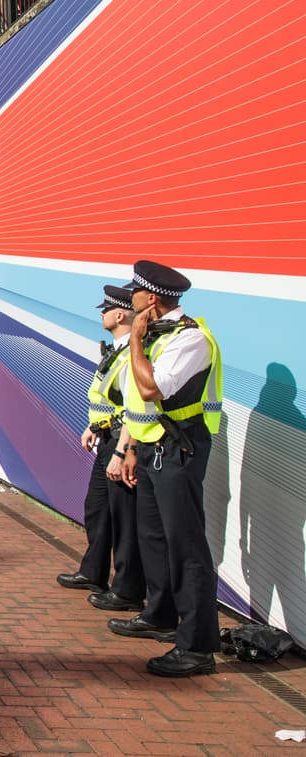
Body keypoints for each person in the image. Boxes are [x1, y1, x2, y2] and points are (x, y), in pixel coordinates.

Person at [108, 260, 224, 678]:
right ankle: (160, 614)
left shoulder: (190, 339)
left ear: (150, 300)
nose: (130, 300)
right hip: (155, 448)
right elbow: (142, 408)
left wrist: (136, 340)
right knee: (154, 539)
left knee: (187, 548)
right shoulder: (161, 334)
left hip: (181, 451)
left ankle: (196, 647)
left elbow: (150, 389)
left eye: (134, 295)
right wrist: (133, 446)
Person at [56, 286, 145, 611]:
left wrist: (123, 449)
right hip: (108, 438)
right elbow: (110, 401)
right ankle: (93, 572)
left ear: (120, 314)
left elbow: (136, 404)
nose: (101, 314)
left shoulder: (135, 352)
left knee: (125, 519)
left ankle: (127, 590)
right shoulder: (118, 351)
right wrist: (95, 425)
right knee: (97, 510)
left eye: (105, 309)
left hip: (122, 441)